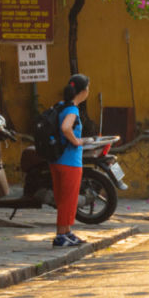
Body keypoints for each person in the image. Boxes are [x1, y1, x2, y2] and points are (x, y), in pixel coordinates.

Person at [51, 74, 90, 248]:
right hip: (70, 161)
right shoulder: (73, 110)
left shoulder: (60, 106)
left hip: (56, 159)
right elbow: (66, 128)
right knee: (69, 199)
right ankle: (61, 235)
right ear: (83, 91)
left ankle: (66, 232)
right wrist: (77, 141)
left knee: (62, 198)